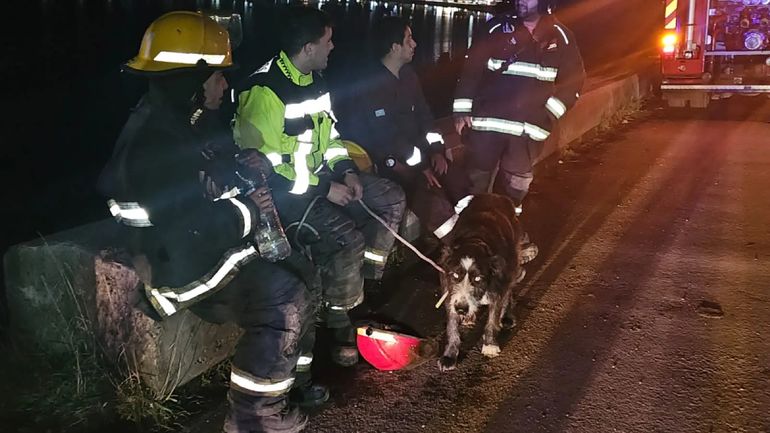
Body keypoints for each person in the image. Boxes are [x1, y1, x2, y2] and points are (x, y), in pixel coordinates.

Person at [98, 12, 323, 433]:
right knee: (283, 295)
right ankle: (252, 416)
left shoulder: (184, 119)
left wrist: (237, 165)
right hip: (172, 269)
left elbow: (206, 171)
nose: (225, 85)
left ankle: (292, 382)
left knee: (302, 269)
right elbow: (189, 231)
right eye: (218, 76)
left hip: (197, 249)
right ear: (191, 78)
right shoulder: (155, 142)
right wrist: (251, 212)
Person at [233, 6, 406, 367]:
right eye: (327, 41)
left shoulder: (316, 81)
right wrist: (325, 191)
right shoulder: (264, 91)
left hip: (320, 181)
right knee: (347, 239)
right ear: (308, 48)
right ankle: (340, 322)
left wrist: (347, 171)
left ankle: (363, 288)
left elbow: (331, 138)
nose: (333, 47)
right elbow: (267, 170)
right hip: (286, 198)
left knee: (390, 197)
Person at [453, 0, 585, 250]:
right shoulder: (495, 29)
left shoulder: (562, 37)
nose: (520, 1)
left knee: (513, 196)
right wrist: (461, 111)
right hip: (485, 130)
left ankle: (506, 244)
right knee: (474, 192)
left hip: (525, 136)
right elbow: (471, 70)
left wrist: (547, 116)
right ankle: (467, 246)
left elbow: (574, 83)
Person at [336, 17, 471, 242]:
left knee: (458, 179)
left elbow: (426, 117)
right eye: (409, 39)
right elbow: (388, 139)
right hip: (391, 164)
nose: (414, 44)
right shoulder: (373, 86)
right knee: (430, 198)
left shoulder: (409, 77)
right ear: (394, 47)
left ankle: (475, 231)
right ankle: (459, 248)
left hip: (419, 157)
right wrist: (422, 167)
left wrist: (437, 150)